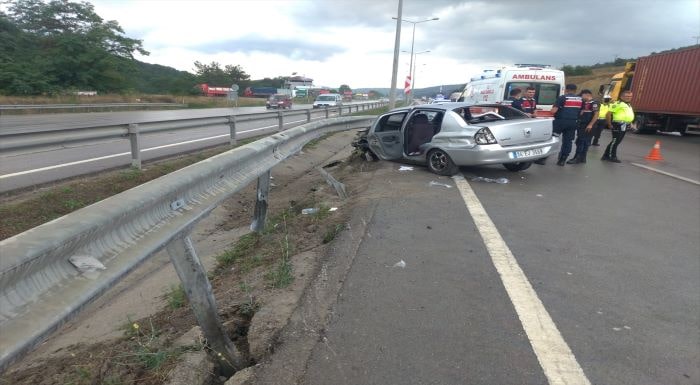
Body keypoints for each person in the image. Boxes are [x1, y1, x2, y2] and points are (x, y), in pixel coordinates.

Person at [550, 84, 582, 166]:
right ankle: (562, 160)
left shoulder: (563, 98)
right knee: (568, 141)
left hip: (561, 122)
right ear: (575, 90)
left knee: (553, 138)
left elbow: (554, 111)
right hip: (573, 122)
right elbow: (581, 112)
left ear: (566, 90)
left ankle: (543, 158)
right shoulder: (580, 99)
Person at [602, 90, 634, 163]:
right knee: (615, 141)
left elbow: (627, 115)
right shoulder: (618, 103)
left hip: (624, 125)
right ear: (622, 96)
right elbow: (608, 114)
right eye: (627, 96)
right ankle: (611, 156)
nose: (629, 98)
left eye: (630, 96)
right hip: (618, 125)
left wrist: (630, 122)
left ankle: (605, 155)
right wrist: (609, 124)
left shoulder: (628, 104)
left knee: (617, 141)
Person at [567, 90, 599, 164]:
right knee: (584, 141)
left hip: (587, 125)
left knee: (581, 141)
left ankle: (577, 158)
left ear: (587, 95)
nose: (581, 98)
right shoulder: (585, 103)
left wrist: (590, 124)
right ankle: (582, 158)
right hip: (582, 124)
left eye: (582, 96)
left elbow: (596, 114)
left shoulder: (594, 103)